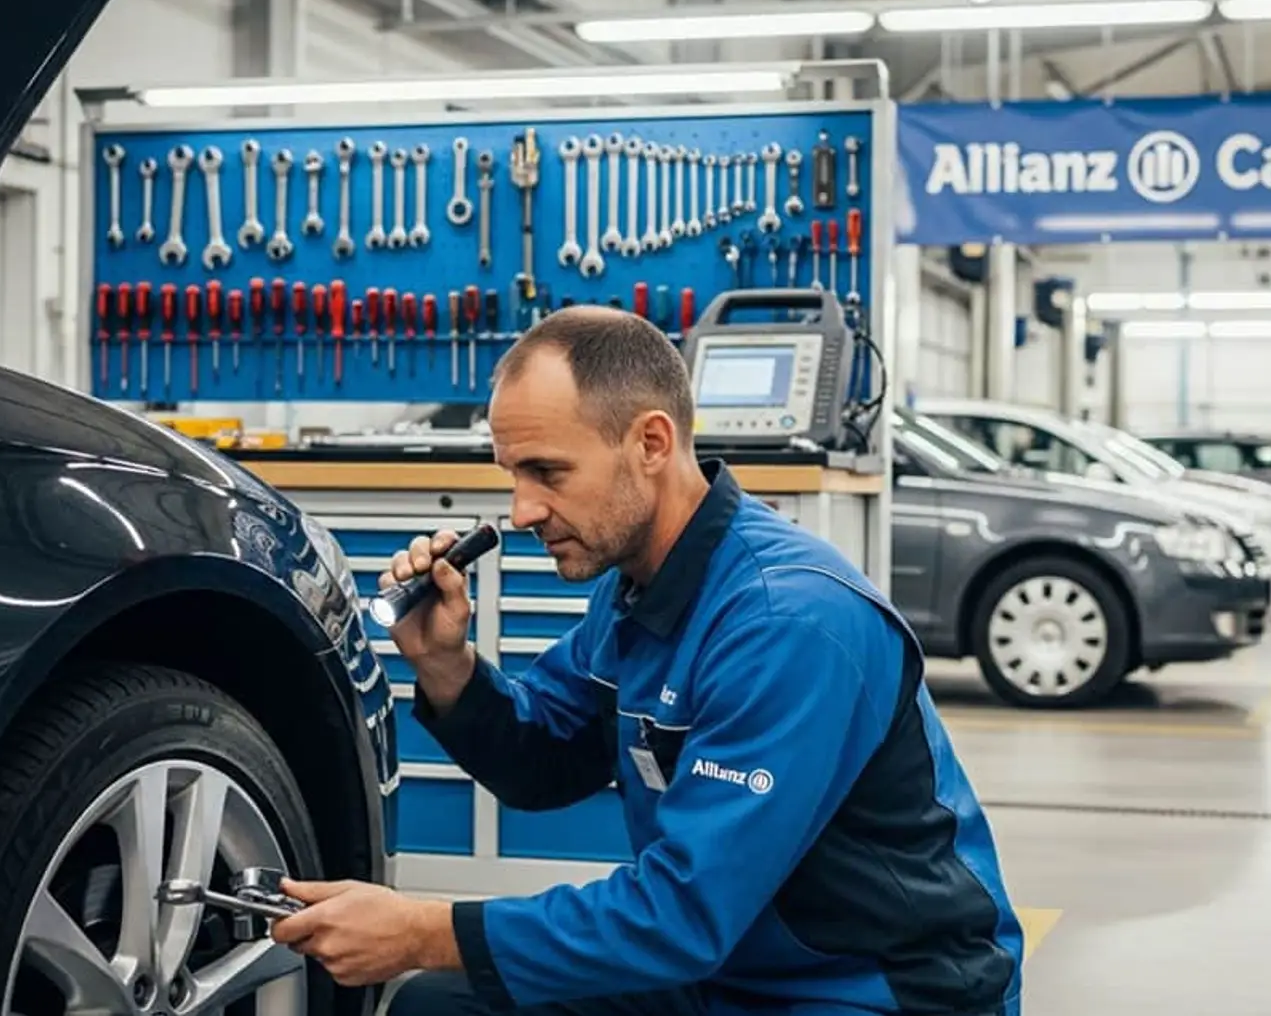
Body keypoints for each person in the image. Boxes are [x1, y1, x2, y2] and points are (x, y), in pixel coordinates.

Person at [270, 306, 1024, 1015]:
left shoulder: (789, 621)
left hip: (870, 988)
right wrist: (446, 666)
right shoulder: (641, 589)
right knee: (437, 1004)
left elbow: (684, 912)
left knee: (444, 962)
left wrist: (419, 930)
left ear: (652, 444)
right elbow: (545, 763)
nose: (522, 510)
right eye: (512, 474)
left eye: (548, 472)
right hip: (725, 969)